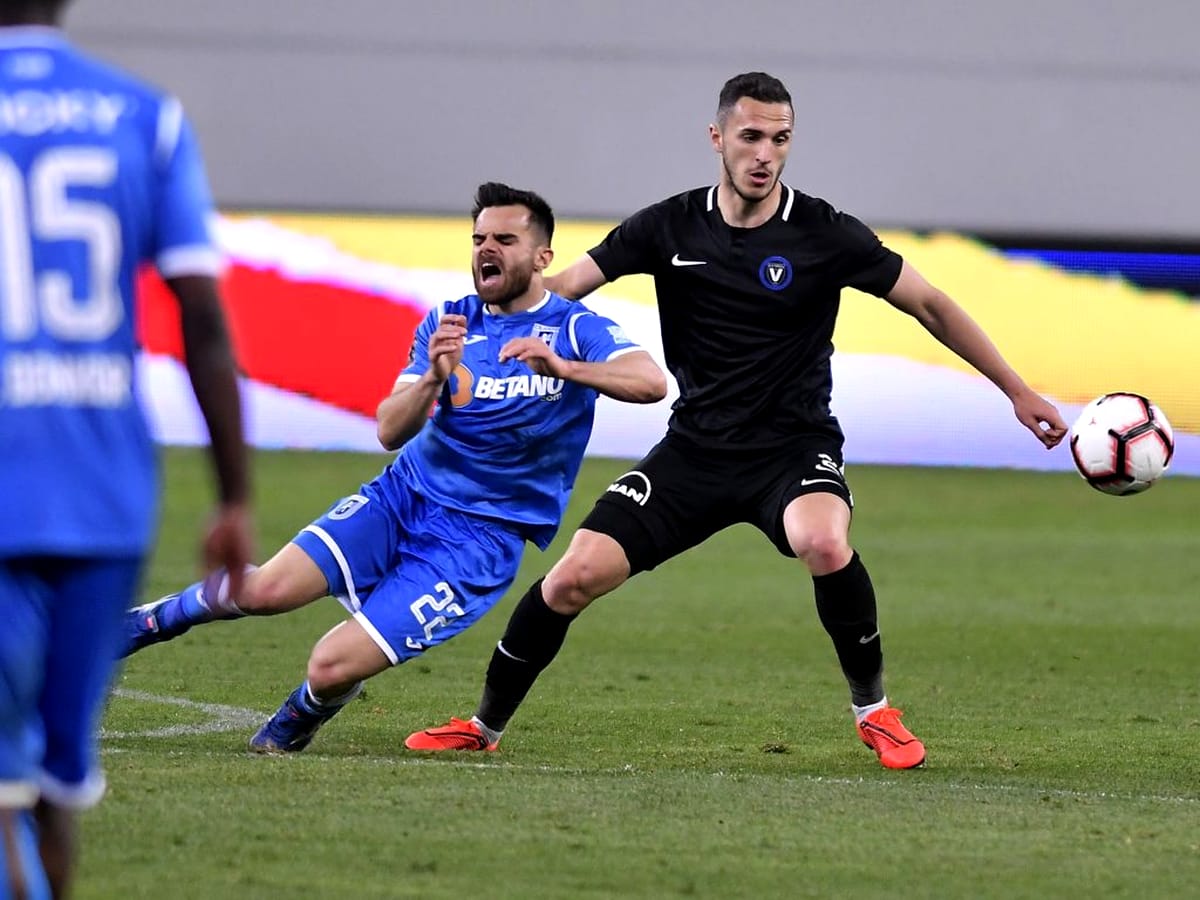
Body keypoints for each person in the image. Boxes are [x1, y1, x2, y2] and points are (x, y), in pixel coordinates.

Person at [405, 72, 1069, 770]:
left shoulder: (825, 232)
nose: (765, 154)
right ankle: (483, 724)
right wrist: (490, 339)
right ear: (718, 138)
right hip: (694, 451)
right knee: (573, 576)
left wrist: (1016, 392)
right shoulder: (667, 226)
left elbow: (929, 303)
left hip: (793, 448)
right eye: (750, 137)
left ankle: (875, 711)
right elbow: (561, 290)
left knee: (821, 538)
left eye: (780, 139)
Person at [121, 182, 668, 757]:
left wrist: (562, 366)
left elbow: (650, 382)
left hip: (478, 542)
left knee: (329, 666)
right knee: (264, 591)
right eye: (480, 238)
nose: (488, 249)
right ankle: (148, 622)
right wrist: (433, 376)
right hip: (402, 498)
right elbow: (388, 430)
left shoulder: (576, 328)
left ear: (542, 257)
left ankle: (294, 721)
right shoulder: (450, 320)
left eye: (505, 239)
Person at [0, 1, 254, 896]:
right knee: (60, 783)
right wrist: (234, 497)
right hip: (103, 493)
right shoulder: (143, 115)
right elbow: (202, 318)